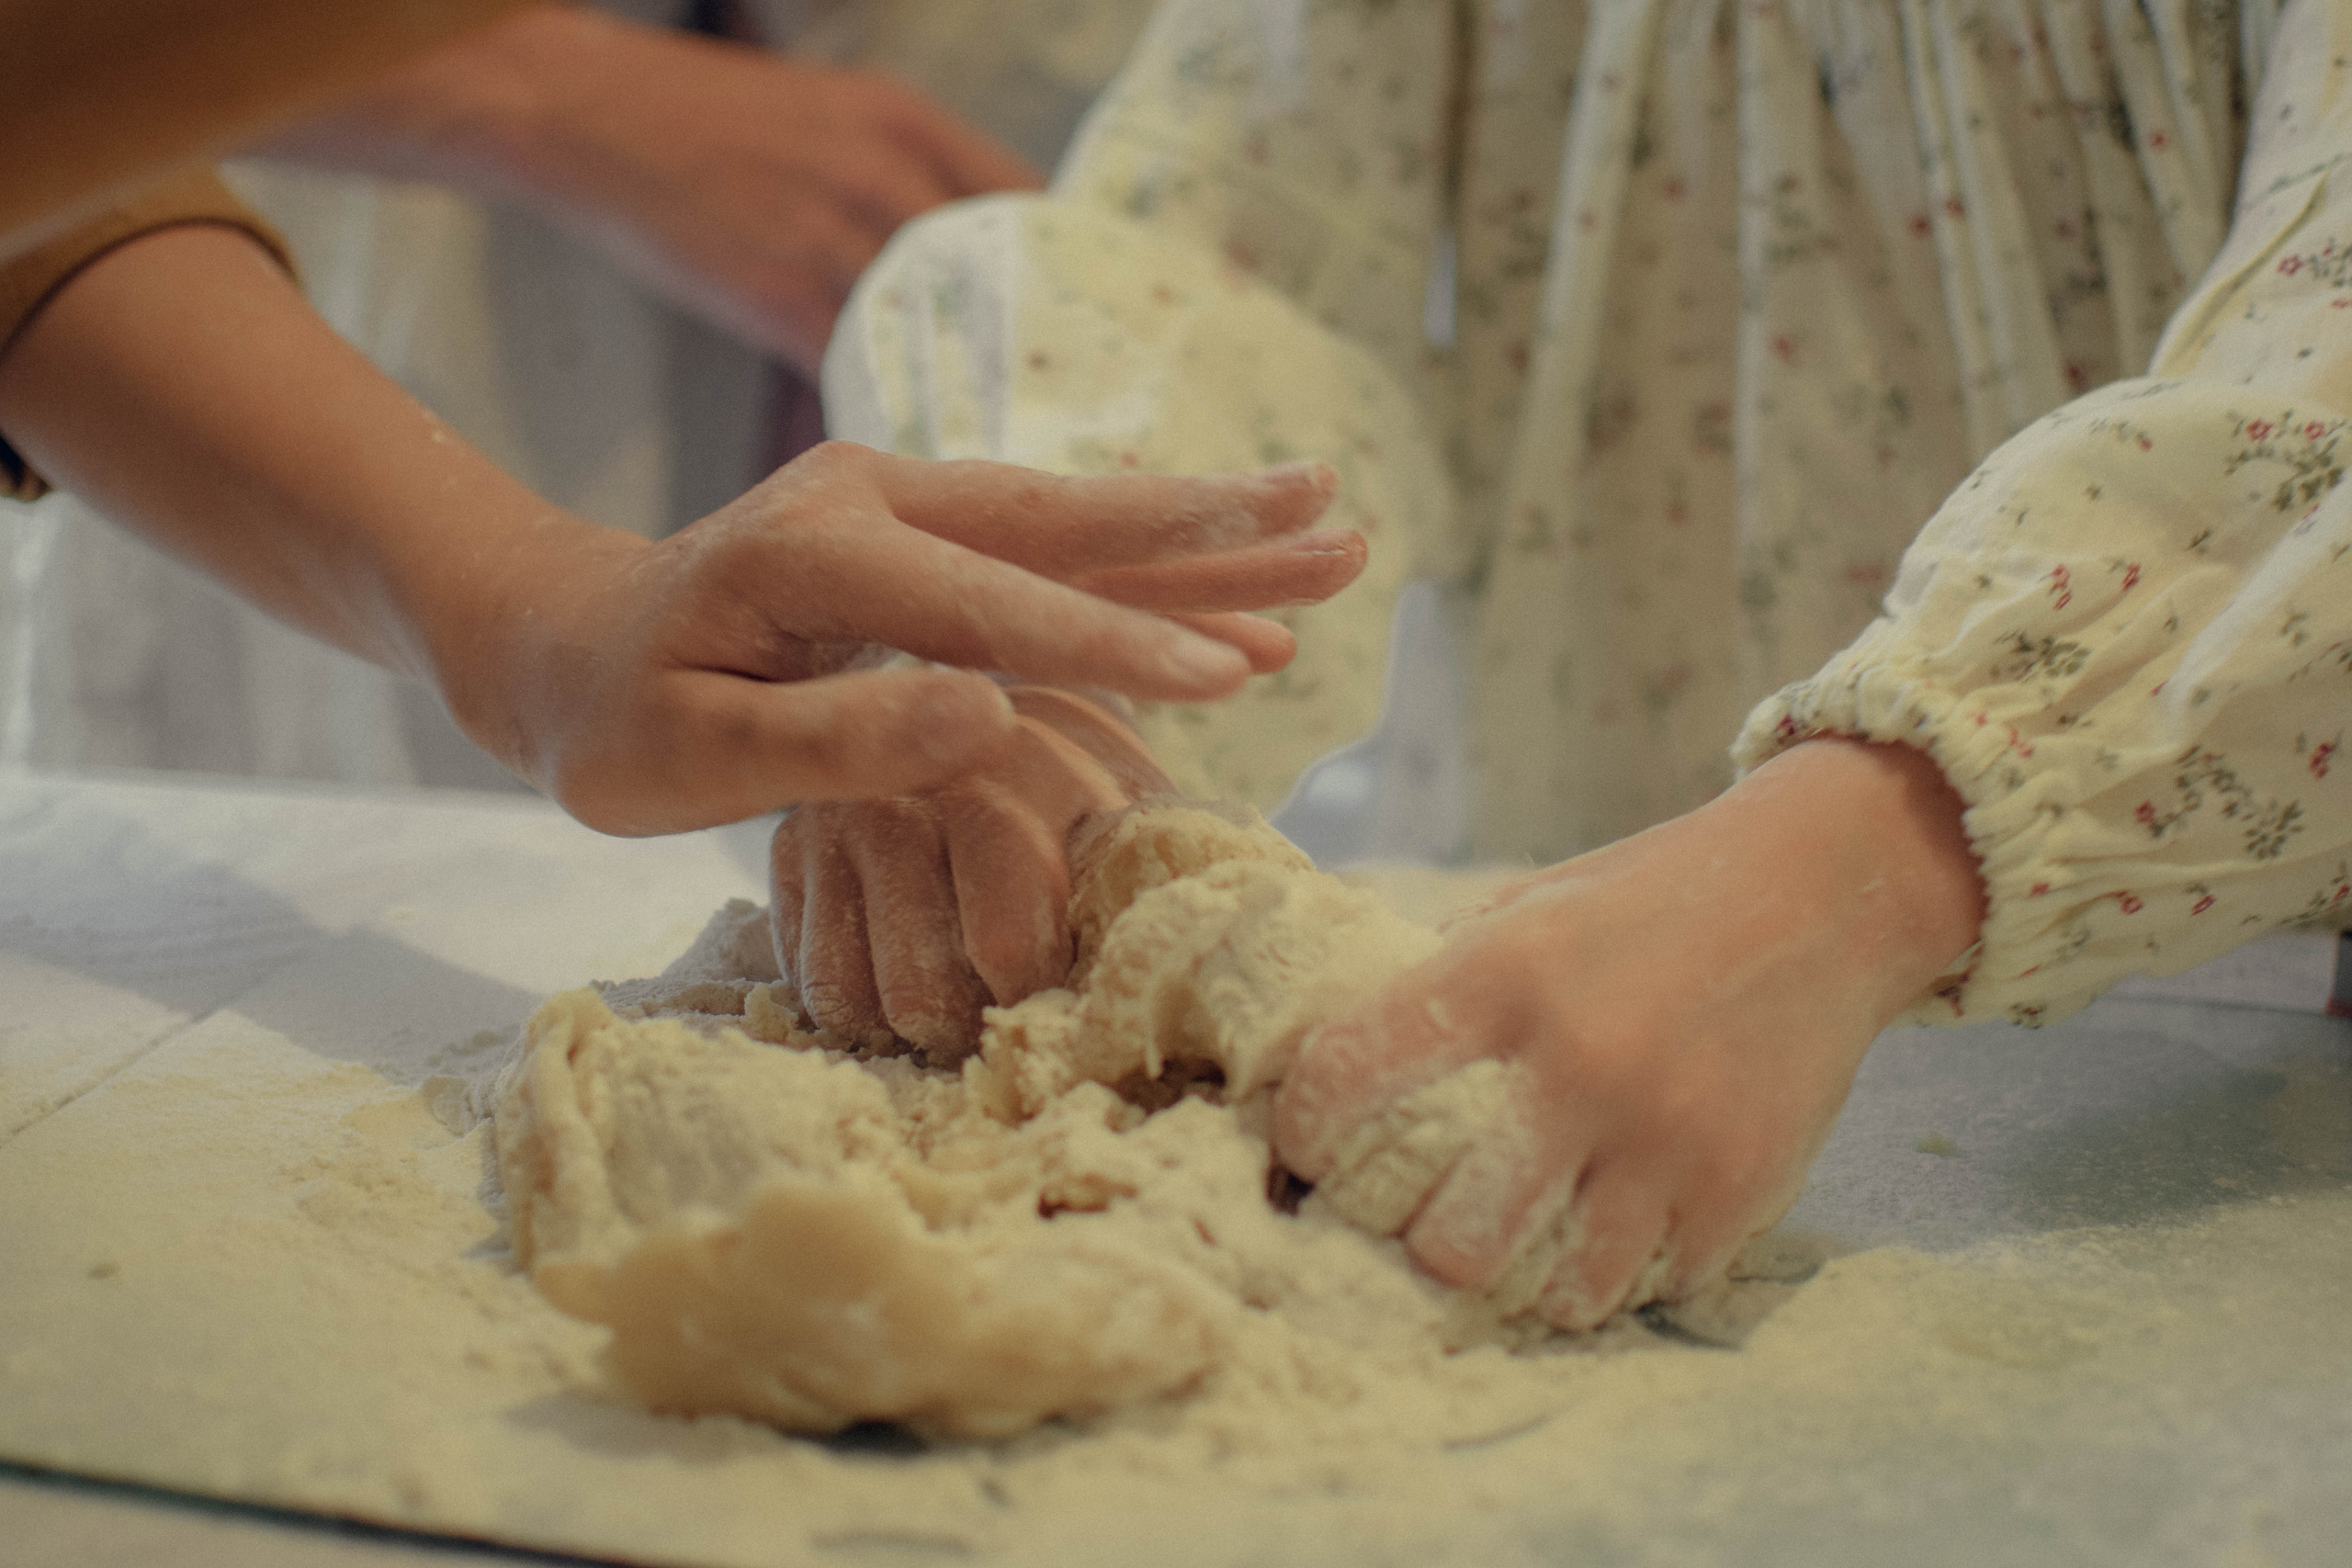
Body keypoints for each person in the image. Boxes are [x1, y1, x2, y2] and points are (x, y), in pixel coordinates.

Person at [790, 0, 2352, 1323]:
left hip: (2215, 1054)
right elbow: (1225, 245)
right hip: (1529, 899)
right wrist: (1053, 633)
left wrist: (1890, 849)